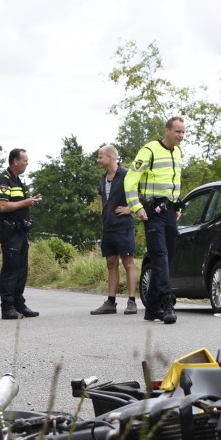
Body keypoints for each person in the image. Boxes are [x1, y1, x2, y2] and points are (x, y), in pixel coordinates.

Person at [123, 116, 185, 325]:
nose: (181, 136)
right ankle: (167, 303)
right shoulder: (149, 150)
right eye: (177, 131)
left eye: (183, 132)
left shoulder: (177, 152)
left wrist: (177, 207)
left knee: (167, 258)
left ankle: (151, 308)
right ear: (167, 130)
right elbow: (130, 179)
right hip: (152, 212)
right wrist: (136, 207)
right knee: (160, 257)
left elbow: (174, 183)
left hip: (168, 212)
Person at [90, 145, 139, 315]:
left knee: (128, 263)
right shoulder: (103, 178)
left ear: (111, 157)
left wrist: (130, 209)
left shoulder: (127, 175)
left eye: (100, 157)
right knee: (111, 264)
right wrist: (103, 211)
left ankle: (132, 301)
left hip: (124, 227)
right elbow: (100, 196)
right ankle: (110, 302)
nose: (98, 160)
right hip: (108, 227)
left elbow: (140, 193)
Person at [0, 148, 41, 320]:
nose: (27, 163)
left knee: (22, 270)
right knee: (11, 269)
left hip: (21, 231)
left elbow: (18, 203)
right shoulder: (3, 180)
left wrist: (30, 202)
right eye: (25, 160)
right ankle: (7, 307)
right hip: (10, 231)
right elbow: (3, 206)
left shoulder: (17, 181)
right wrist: (26, 203)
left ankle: (18, 304)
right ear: (15, 161)